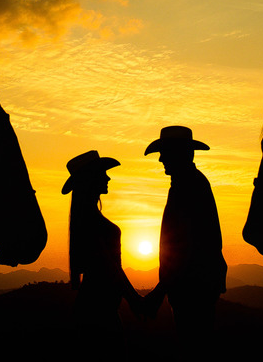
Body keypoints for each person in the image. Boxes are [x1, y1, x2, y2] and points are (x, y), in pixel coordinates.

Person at [143, 126, 226, 345]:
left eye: (164, 153)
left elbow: (188, 247)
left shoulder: (189, 186)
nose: (160, 159)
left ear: (177, 153)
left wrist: (160, 291)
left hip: (192, 288)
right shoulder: (190, 184)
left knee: (193, 345)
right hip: (194, 286)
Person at [62, 150, 143, 343]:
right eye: (102, 172)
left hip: (96, 307)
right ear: (91, 178)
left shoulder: (86, 218)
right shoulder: (90, 220)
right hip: (98, 312)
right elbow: (110, 267)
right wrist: (134, 300)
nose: (108, 177)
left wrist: (133, 299)